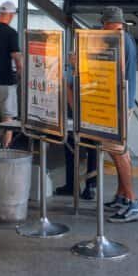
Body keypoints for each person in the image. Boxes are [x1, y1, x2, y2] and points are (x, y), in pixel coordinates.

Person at [99, 6, 138, 223]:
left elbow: (111, 71)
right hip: (124, 101)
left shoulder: (116, 40)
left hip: (117, 104)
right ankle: (122, 196)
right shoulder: (127, 38)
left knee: (119, 151)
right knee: (117, 151)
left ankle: (133, 202)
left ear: (106, 23)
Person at [55, 52, 97, 200]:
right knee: (86, 147)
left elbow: (69, 90)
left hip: (86, 111)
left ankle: (82, 186)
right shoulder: (76, 67)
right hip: (89, 112)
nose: (71, 58)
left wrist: (74, 110)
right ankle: (85, 186)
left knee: (80, 146)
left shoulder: (78, 68)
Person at [0, 0, 23, 147]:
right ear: (11, 15)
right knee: (8, 118)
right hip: (5, 81)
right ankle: (5, 149)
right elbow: (16, 56)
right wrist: (21, 72)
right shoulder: (11, 33)